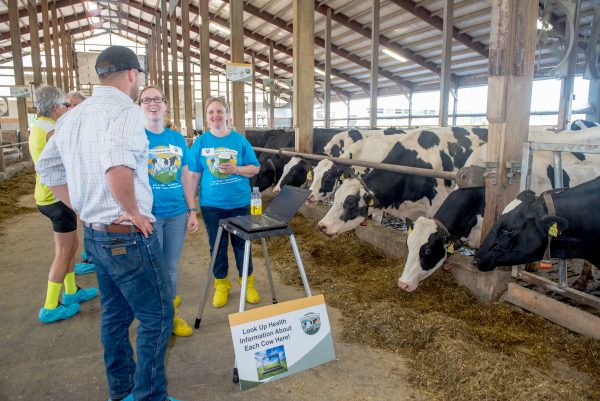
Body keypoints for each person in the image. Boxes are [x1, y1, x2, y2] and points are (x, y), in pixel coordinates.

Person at [36, 46, 180, 401]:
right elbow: (118, 167)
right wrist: (131, 210)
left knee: (115, 318)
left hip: (96, 236)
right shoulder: (124, 112)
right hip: (127, 236)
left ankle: (122, 392)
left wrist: (81, 207)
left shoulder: (71, 116)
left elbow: (47, 168)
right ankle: (149, 397)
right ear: (133, 74)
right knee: (158, 317)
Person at [29, 85, 98, 324]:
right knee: (64, 252)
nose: (68, 109)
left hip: (46, 196)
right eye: (66, 105)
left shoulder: (39, 126)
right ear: (57, 106)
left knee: (71, 244)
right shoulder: (52, 130)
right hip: (57, 197)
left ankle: (71, 291)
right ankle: (50, 305)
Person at [188, 96, 260, 308]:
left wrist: (236, 169)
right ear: (206, 117)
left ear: (227, 115)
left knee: (241, 244)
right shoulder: (201, 142)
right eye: (211, 112)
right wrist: (190, 206)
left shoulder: (239, 140)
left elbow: (255, 168)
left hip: (239, 202)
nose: (215, 116)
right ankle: (221, 284)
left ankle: (247, 283)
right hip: (211, 205)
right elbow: (193, 175)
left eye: (219, 111)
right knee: (217, 246)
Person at [139, 85, 197, 337]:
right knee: (153, 268)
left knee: (171, 267)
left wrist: (191, 209)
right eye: (146, 100)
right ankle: (155, 319)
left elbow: (185, 176)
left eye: (158, 99)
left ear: (165, 105)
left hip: (175, 212)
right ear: (140, 105)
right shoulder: (135, 137)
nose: (153, 104)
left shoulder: (176, 138)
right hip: (148, 215)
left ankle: (169, 317)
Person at [64, 90, 97, 276]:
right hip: (78, 186)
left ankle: (92, 256)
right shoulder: (66, 128)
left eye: (76, 105)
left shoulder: (90, 127)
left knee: (91, 223)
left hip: (92, 186)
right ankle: (91, 255)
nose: (72, 109)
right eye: (69, 105)